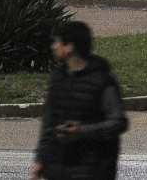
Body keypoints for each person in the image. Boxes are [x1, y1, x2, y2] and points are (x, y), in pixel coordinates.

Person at [32, 20, 128, 180]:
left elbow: (118, 122)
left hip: (92, 170)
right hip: (59, 169)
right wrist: (41, 159)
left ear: (70, 47)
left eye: (58, 42)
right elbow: (49, 121)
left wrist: (82, 131)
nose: (54, 46)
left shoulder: (102, 81)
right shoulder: (58, 78)